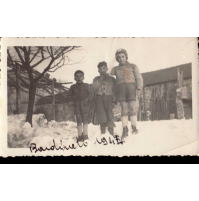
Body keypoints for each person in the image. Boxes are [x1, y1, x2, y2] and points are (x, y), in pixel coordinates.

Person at [110, 49, 143, 140]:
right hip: (120, 89)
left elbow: (138, 78)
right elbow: (109, 72)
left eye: (123, 56)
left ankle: (134, 127)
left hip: (131, 88)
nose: (121, 59)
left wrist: (139, 88)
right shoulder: (115, 69)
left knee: (132, 108)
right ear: (117, 59)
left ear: (126, 56)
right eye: (118, 57)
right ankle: (125, 129)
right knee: (124, 108)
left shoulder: (133, 66)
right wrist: (112, 61)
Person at [68, 70, 94, 142]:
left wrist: (87, 100)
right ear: (74, 78)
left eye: (80, 76)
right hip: (76, 105)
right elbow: (69, 95)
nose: (79, 78)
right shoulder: (72, 87)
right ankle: (79, 135)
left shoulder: (87, 85)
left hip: (84, 105)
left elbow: (91, 93)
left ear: (83, 77)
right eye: (77, 76)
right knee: (79, 119)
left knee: (85, 119)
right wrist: (72, 101)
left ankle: (85, 134)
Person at [92, 61, 117, 136]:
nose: (102, 70)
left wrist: (114, 100)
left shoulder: (112, 79)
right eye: (100, 69)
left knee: (109, 114)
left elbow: (115, 90)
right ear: (98, 70)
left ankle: (111, 132)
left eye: (104, 68)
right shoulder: (96, 79)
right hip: (99, 98)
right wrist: (100, 80)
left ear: (107, 69)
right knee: (101, 115)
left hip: (108, 98)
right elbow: (94, 88)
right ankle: (103, 133)